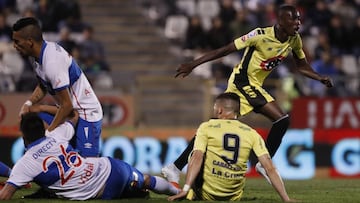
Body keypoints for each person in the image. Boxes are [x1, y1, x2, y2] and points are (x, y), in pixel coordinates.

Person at [162, 4, 334, 184]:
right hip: (242, 81)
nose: (298, 23)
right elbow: (226, 49)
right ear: (281, 21)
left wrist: (319, 77)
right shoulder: (259, 35)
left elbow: (302, 66)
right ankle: (263, 163)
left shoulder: (294, 39)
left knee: (215, 129)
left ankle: (173, 167)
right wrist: (193, 64)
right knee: (282, 119)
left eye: (299, 19)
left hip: (253, 85)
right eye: (293, 19)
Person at [0, 110, 180, 200]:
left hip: (102, 189)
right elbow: (75, 116)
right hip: (111, 166)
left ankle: (134, 191)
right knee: (146, 179)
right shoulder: (57, 135)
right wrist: (43, 107)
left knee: (127, 193)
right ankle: (179, 192)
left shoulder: (25, 164)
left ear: (23, 136)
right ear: (43, 128)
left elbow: (5, 195)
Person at [168, 92, 296, 202]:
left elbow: (197, 158)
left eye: (214, 108)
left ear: (219, 110)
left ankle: (190, 192)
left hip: (207, 194)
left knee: (194, 154)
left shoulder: (206, 127)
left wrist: (185, 188)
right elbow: (270, 167)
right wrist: (286, 199)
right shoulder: (251, 132)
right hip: (233, 197)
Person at [12, 17, 103, 157]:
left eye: (17, 41)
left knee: (87, 165)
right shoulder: (37, 56)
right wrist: (28, 103)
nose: (14, 45)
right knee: (32, 120)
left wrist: (50, 133)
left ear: (29, 42)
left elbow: (67, 105)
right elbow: (43, 85)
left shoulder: (52, 62)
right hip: (69, 112)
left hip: (86, 113)